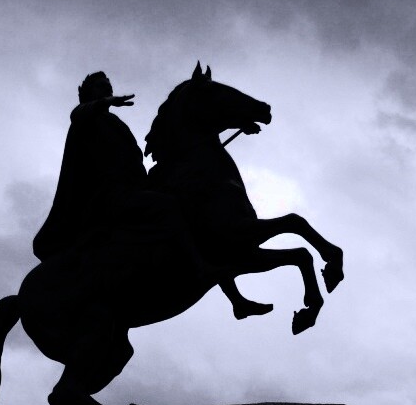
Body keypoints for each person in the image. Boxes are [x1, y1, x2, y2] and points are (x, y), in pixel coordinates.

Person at [33, 71, 270, 319]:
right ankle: (200, 268)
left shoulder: (112, 123)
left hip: (135, 187)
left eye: (108, 86)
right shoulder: (86, 118)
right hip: (111, 196)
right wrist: (106, 102)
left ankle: (236, 300)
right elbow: (79, 114)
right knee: (167, 205)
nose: (107, 89)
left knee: (197, 216)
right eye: (101, 86)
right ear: (88, 93)